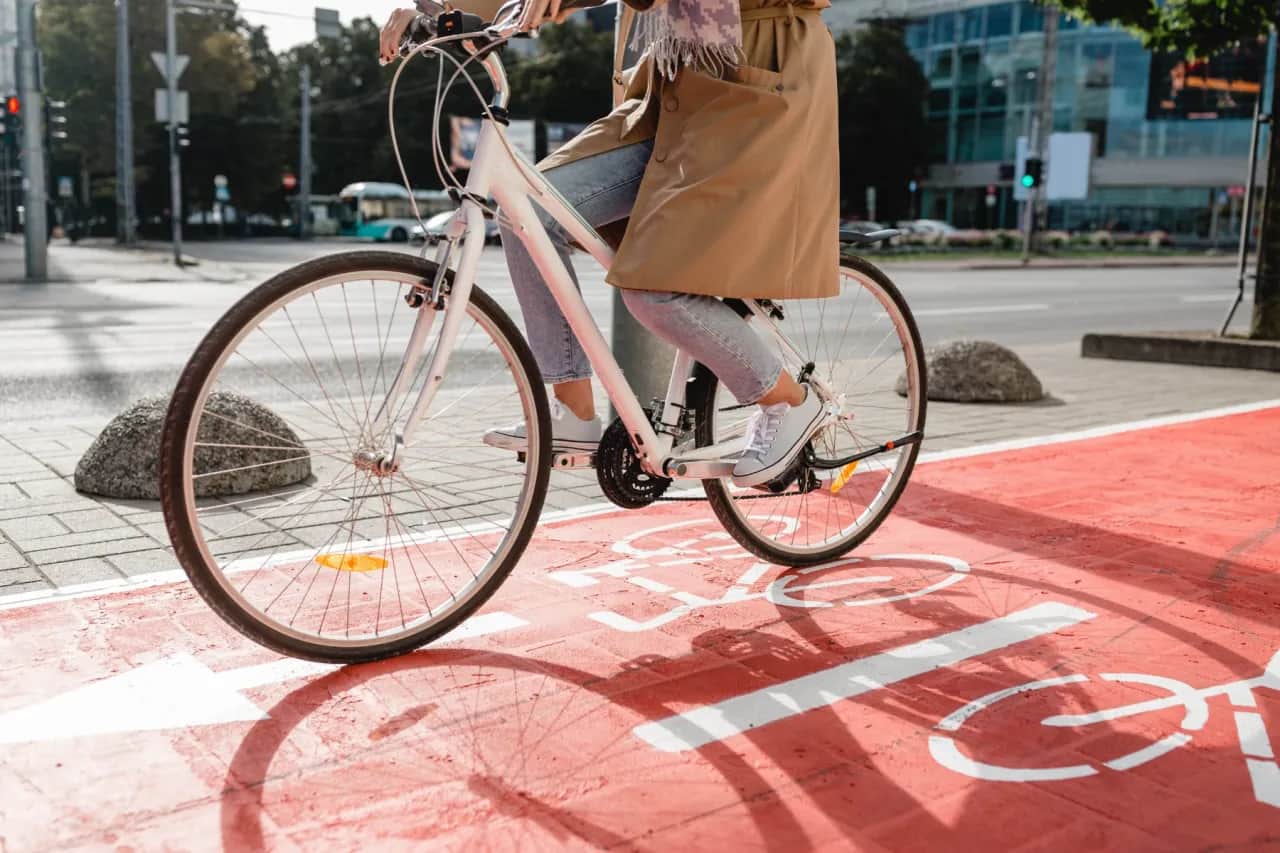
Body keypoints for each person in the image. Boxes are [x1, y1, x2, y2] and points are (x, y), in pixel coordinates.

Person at [379, 0, 840, 487]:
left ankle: (788, 400)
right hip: (672, 95)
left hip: (754, 91)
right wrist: (436, 9)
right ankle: (574, 413)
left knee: (656, 291)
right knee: (528, 211)